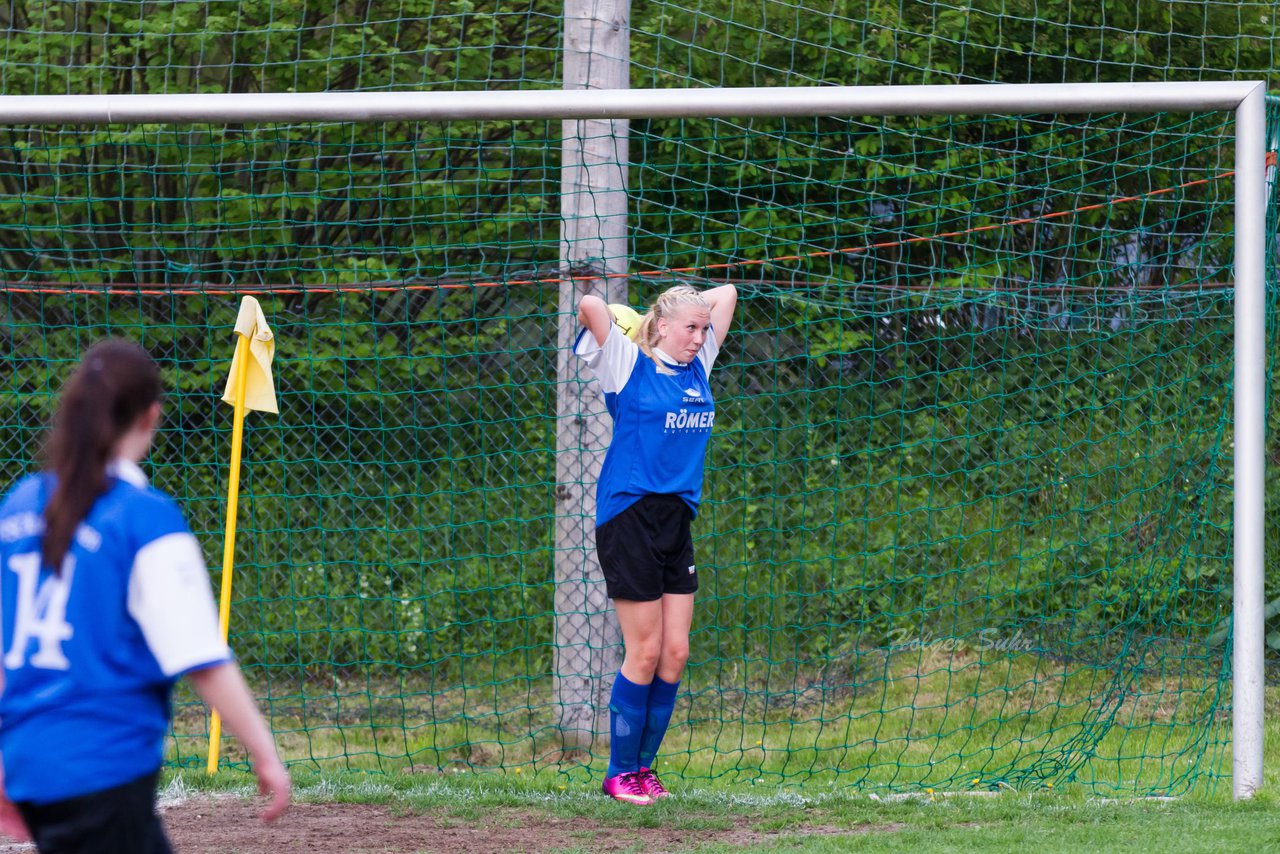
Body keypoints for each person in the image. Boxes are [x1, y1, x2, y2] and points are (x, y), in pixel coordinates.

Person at [0, 339, 290, 852]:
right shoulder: (144, 518)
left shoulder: (18, 506)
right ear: (151, 416)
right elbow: (201, 657)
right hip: (101, 765)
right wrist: (264, 752)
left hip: (31, 763)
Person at [575, 283, 737, 805]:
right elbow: (590, 306)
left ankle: (644, 770)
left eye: (703, 328)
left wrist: (685, 310)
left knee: (675, 653)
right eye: (689, 327)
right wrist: (636, 322)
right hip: (630, 518)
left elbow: (727, 292)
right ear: (661, 327)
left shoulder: (699, 365)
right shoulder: (627, 364)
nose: (700, 335)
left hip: (676, 521)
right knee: (642, 652)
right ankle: (618, 772)